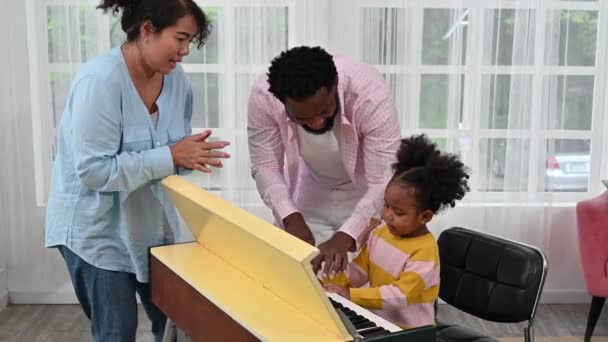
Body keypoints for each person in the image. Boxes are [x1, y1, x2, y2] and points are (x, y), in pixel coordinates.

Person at [44, 1, 230, 341]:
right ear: (148, 30)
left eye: (191, 41)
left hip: (149, 227)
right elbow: (94, 172)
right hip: (95, 231)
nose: (186, 51)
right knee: (117, 332)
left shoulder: (177, 82)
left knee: (177, 324)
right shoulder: (99, 82)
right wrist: (172, 155)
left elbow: (169, 159)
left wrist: (189, 157)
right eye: (181, 38)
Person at [247, 46, 401, 275]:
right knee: (302, 275)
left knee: (366, 278)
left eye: (324, 111)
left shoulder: (370, 94)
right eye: (303, 118)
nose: (317, 123)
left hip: (367, 192)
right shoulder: (264, 96)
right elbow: (265, 165)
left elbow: (382, 180)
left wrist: (348, 234)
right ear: (282, 102)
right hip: (311, 188)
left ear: (335, 85)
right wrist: (289, 216)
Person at [323, 134, 470, 329]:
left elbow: (400, 295)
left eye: (398, 212)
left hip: (411, 332)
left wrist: (350, 294)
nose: (388, 215)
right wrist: (329, 283)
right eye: (386, 206)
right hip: (379, 323)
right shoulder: (381, 233)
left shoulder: (425, 252)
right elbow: (359, 270)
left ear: (425, 217)